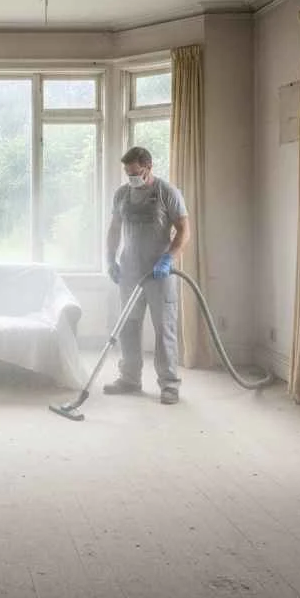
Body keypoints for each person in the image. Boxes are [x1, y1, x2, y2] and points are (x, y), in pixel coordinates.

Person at [103, 146, 191, 404]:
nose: (132, 178)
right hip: (129, 271)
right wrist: (110, 258)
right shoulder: (122, 195)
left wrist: (168, 258)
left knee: (165, 328)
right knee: (128, 326)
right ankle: (129, 378)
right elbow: (114, 229)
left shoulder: (167, 192)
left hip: (158, 272)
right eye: (128, 173)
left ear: (148, 167)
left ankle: (169, 384)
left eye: (136, 173)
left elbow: (185, 230)